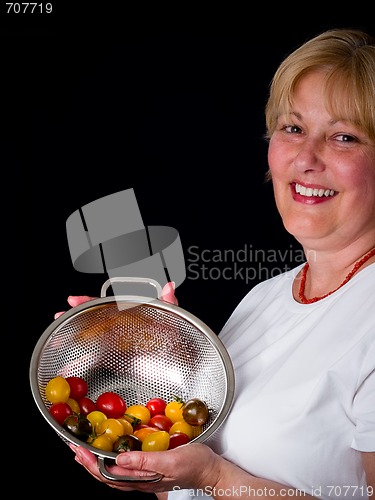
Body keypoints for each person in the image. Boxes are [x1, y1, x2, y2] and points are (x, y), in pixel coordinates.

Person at [55, 28, 375, 499]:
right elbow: (191, 486)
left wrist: (215, 477)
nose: (306, 158)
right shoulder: (265, 298)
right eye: (293, 128)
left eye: (344, 137)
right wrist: (169, 360)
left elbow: (214, 477)